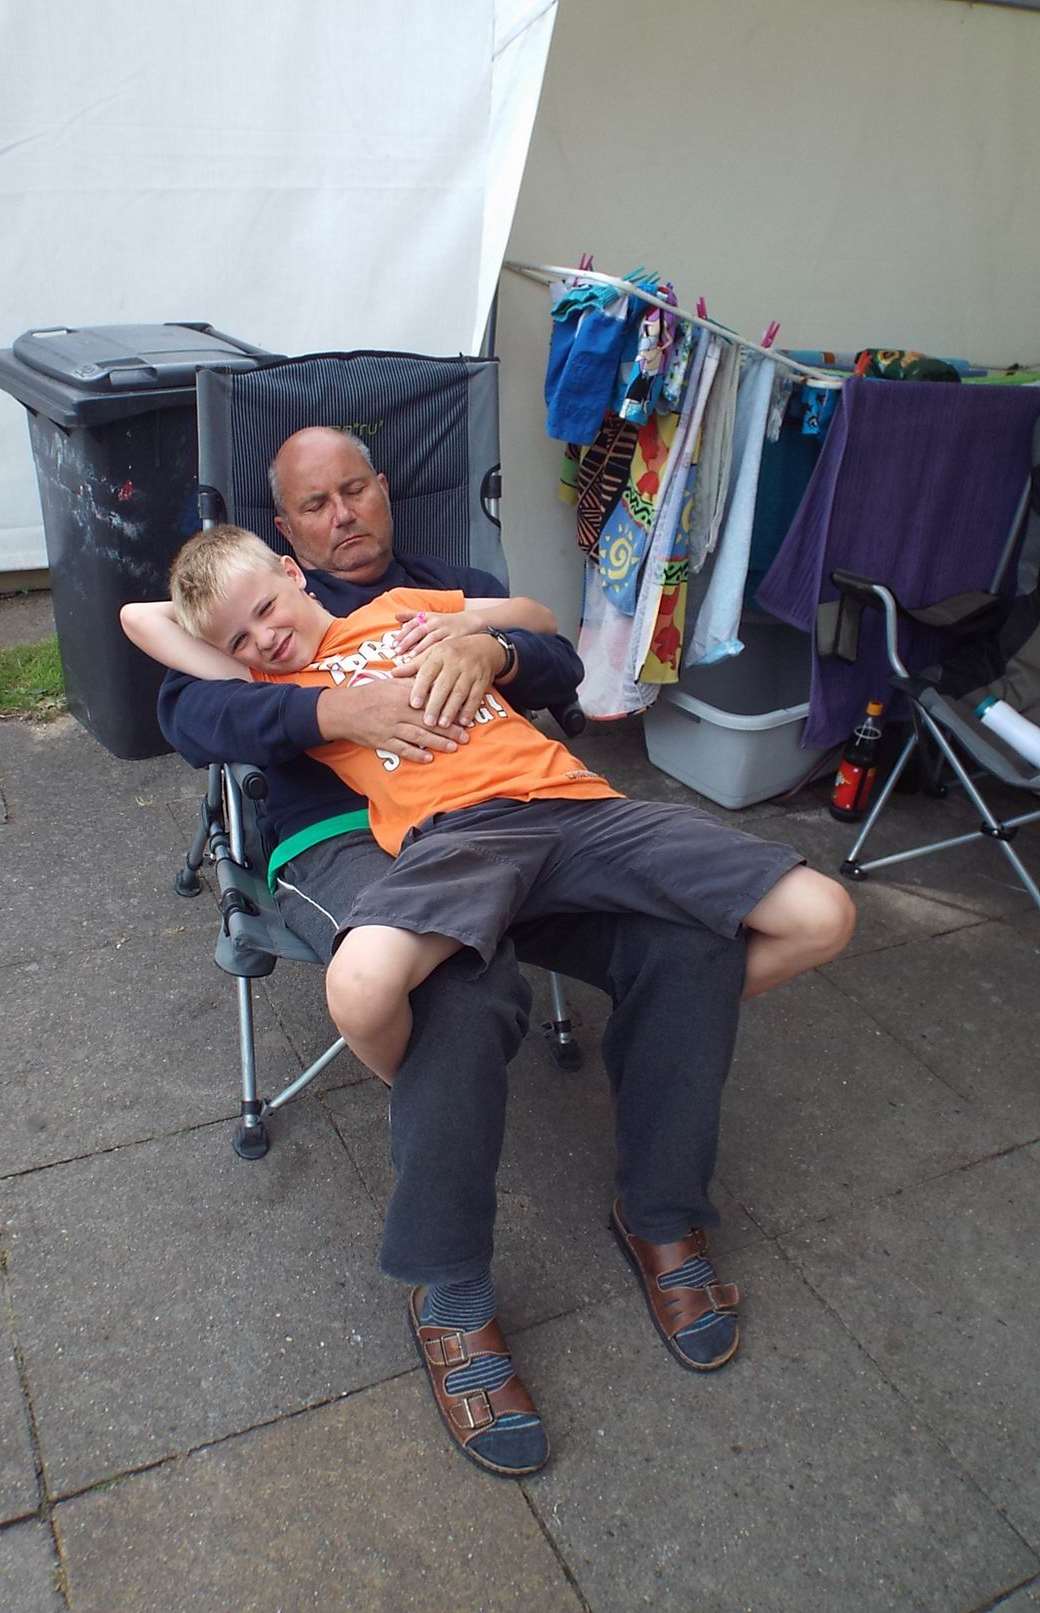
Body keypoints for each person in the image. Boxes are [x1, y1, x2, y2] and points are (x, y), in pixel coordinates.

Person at [145, 427, 855, 1480]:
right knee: (458, 1003)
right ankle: (452, 1289)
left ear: (384, 489)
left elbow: (556, 659)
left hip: (532, 813)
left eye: (354, 490)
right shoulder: (265, 642)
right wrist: (341, 705)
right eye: (313, 504)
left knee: (690, 946)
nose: (342, 515)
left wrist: (492, 652)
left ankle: (660, 1208)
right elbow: (189, 701)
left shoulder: (435, 589)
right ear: (284, 529)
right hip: (353, 838)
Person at [125, 528, 852, 1091]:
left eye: (264, 610)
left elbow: (538, 619)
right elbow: (141, 618)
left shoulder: (400, 609)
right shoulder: (276, 677)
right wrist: (235, 616)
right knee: (368, 981)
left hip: (567, 798)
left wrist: (482, 642)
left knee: (820, 913)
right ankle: (423, 1092)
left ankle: (654, 1019)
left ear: (292, 573)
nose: (262, 637)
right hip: (453, 834)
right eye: (239, 639)